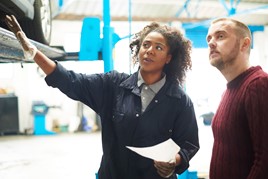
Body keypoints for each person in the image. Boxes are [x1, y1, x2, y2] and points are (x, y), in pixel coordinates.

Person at [5, 15, 199, 179]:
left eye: (158, 47)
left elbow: (189, 143)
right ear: (138, 49)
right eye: (145, 45)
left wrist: (175, 161)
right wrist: (33, 51)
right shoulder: (113, 85)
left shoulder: (179, 100)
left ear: (169, 58)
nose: (149, 50)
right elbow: (70, 80)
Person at [206, 17, 268, 178]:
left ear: (244, 44)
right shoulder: (229, 90)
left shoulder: (258, 84)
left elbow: (265, 161)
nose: (211, 43)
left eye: (220, 36)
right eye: (209, 38)